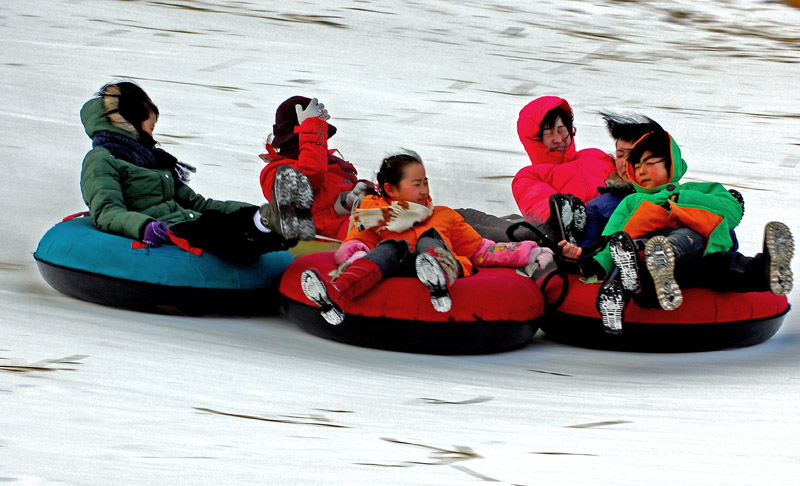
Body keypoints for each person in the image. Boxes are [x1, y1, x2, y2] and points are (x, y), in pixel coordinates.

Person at [299, 151, 555, 325]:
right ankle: (336, 293)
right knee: (391, 246)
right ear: (390, 189)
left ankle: (437, 280)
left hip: (443, 262)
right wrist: (357, 259)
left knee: (428, 240)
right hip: (397, 269)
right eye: (416, 184)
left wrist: (527, 253)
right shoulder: (372, 215)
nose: (423, 191)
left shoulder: (443, 216)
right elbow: (355, 244)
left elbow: (481, 250)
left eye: (425, 183)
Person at [581, 128, 792, 333]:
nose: (641, 170)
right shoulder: (632, 201)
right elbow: (611, 238)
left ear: (671, 165)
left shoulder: (695, 191)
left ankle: (767, 269)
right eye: (636, 167)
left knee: (723, 263)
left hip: (696, 255)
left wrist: (681, 199)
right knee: (660, 250)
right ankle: (652, 267)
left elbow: (732, 212)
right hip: (650, 260)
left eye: (650, 163)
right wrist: (597, 264)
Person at [80, 81, 309, 263]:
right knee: (213, 229)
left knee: (222, 219)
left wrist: (246, 209)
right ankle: (262, 225)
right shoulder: (102, 159)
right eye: (150, 127)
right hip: (163, 229)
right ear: (129, 122)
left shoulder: (156, 160)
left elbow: (197, 204)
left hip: (188, 220)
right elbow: (107, 211)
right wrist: (144, 226)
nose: (153, 134)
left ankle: (271, 224)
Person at [259, 96, 374, 241]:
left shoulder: (330, 161)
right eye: (319, 133)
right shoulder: (274, 171)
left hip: (352, 233)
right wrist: (311, 126)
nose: (322, 140)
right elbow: (310, 176)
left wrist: (361, 191)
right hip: (318, 243)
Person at [512, 96, 616, 242]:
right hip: (580, 240)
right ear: (534, 139)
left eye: (562, 130)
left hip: (622, 222)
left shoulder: (597, 156)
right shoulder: (528, 177)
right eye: (548, 133)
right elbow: (549, 212)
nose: (558, 139)